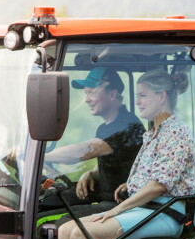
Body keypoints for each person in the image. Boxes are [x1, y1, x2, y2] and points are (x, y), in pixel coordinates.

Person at [34, 69, 195, 239]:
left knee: (83, 233)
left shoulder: (176, 133)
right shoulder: (153, 133)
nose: (138, 101)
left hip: (164, 213)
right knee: (65, 230)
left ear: (162, 96)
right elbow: (146, 174)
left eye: (143, 96)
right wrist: (125, 183)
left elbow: (159, 185)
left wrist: (118, 209)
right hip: (144, 207)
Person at [43, 67, 144, 207]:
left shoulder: (126, 125)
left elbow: (82, 151)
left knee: (54, 217)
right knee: (48, 200)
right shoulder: (106, 127)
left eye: (92, 93)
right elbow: (115, 163)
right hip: (108, 198)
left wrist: (41, 156)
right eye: (86, 93)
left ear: (112, 94)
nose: (86, 100)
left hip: (122, 203)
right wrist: (90, 174)